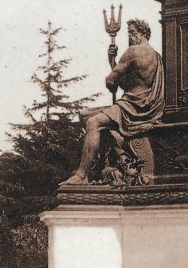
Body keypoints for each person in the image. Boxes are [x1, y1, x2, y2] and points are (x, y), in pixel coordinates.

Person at [62, 19, 164, 185]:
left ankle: (81, 175)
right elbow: (130, 84)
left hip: (131, 106)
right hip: (142, 105)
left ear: (142, 33)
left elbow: (111, 80)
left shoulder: (133, 51)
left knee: (93, 123)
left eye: (132, 32)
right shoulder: (156, 56)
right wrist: (112, 62)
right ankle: (118, 153)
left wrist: (112, 66)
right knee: (84, 115)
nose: (130, 36)